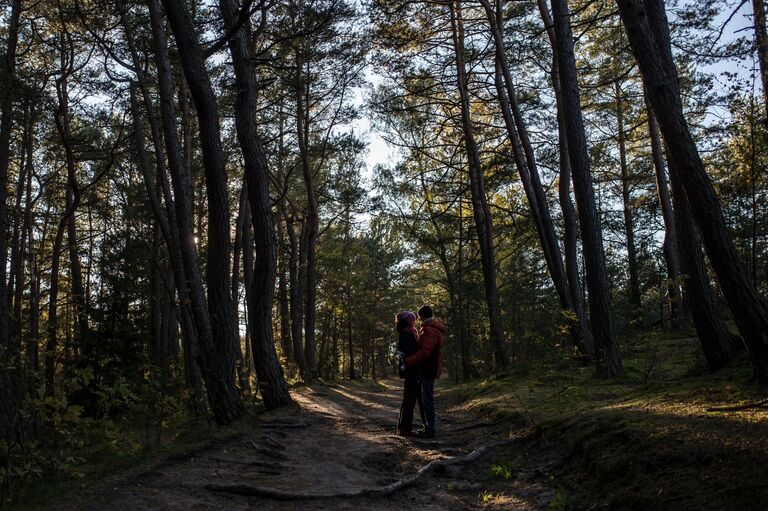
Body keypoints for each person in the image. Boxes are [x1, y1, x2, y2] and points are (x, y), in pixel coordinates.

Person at [404, 305, 445, 438]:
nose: (418, 320)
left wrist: (408, 361)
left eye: (419, 317)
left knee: (427, 399)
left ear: (422, 316)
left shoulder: (430, 330)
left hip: (428, 368)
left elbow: (425, 353)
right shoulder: (430, 328)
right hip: (429, 368)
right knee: (426, 399)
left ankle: (430, 429)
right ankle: (428, 427)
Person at [395, 310, 425, 436]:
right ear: (408, 321)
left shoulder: (407, 332)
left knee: (411, 398)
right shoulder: (407, 334)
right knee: (410, 399)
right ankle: (405, 429)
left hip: (412, 370)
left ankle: (404, 428)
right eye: (413, 319)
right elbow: (408, 354)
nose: (415, 321)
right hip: (411, 370)